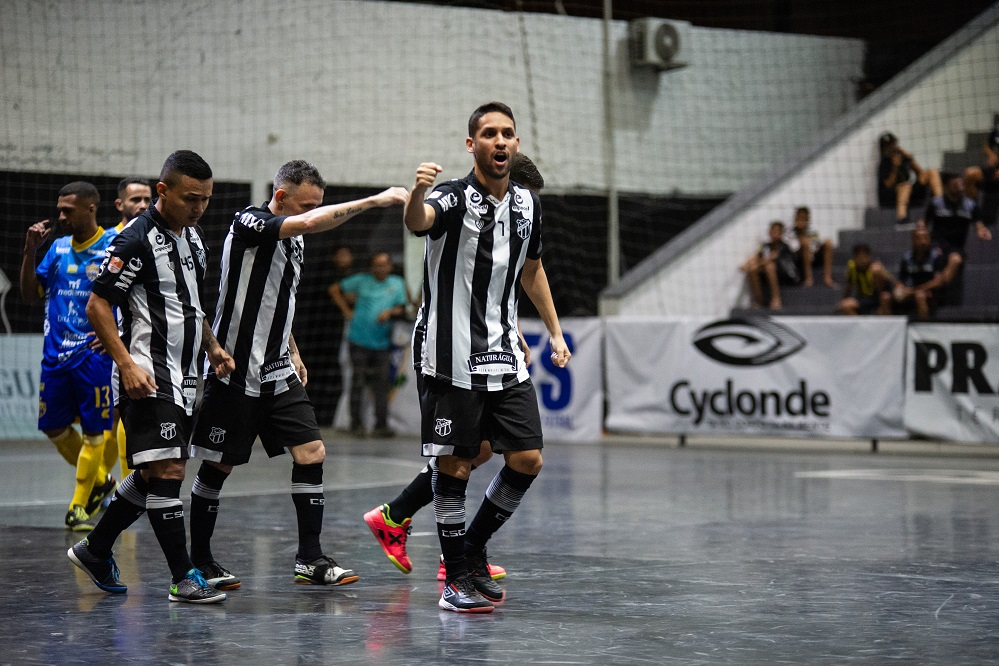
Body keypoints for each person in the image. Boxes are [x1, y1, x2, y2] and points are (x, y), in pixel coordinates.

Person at [186, 160, 407, 590]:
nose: (312, 214)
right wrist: (376, 200)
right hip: (235, 370)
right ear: (281, 197)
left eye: (317, 205)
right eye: (306, 205)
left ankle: (310, 558)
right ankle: (200, 560)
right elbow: (306, 224)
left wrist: (293, 350)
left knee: (312, 452)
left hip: (278, 369)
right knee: (219, 465)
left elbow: (276, 300)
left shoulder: (296, 241)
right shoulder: (249, 222)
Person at [402, 102, 570, 613]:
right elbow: (419, 221)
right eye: (489, 133)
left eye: (507, 133)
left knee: (527, 458)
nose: (500, 141)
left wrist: (555, 332)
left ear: (516, 145)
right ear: (471, 144)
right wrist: (417, 192)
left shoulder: (528, 205)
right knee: (454, 464)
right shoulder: (451, 197)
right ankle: (455, 580)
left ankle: (472, 549)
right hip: (450, 354)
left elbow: (532, 270)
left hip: (504, 352)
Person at [362, 152, 544, 584]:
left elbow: (498, 286)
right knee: (460, 456)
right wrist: (418, 192)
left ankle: (399, 516)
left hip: (490, 344)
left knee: (484, 450)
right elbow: (423, 225)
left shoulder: (515, 218)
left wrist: (513, 328)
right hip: (444, 345)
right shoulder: (460, 203)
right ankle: (455, 559)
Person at [68, 150, 236, 604]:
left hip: (187, 375)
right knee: (169, 470)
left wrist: (213, 346)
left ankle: (94, 550)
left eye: (205, 199)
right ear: (162, 190)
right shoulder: (134, 239)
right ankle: (183, 577)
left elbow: (189, 305)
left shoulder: (194, 237)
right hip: (148, 373)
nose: (199, 207)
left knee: (150, 474)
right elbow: (97, 304)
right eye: (190, 198)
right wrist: (126, 364)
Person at [19, 182, 118, 530]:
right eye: (59, 209)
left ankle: (78, 507)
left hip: (93, 356)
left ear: (91, 209)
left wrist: (116, 335)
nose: (61, 216)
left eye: (68, 210)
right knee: (53, 426)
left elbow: (131, 295)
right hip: (55, 357)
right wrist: (30, 251)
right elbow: (29, 295)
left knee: (94, 432)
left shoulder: (111, 246)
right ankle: (102, 481)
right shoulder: (58, 248)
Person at [330, 252, 408, 437]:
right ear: (372, 267)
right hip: (358, 339)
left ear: (390, 266)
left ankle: (381, 425)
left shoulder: (397, 283)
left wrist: (390, 312)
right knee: (357, 381)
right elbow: (334, 289)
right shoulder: (361, 280)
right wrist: (346, 310)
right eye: (377, 265)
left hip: (382, 342)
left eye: (384, 264)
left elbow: (402, 307)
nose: (380, 268)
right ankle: (355, 424)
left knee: (382, 384)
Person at [110, 177, 154, 479]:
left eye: (147, 200)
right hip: (117, 342)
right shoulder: (113, 240)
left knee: (128, 413)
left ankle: (125, 486)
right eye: (136, 199)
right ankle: (113, 485)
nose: (142, 205)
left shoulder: (155, 237)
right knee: (114, 415)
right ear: (120, 204)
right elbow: (96, 296)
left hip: (146, 342)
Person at [297, 245, 354, 427]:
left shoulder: (354, 275)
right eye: (340, 254)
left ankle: (331, 418)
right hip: (322, 336)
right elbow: (335, 292)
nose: (344, 258)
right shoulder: (326, 275)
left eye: (347, 254)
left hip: (345, 336)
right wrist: (346, 308)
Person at [919, 173, 992, 289]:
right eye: (955, 184)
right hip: (936, 244)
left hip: (956, 247)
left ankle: (931, 288)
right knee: (933, 256)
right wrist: (922, 232)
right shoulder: (936, 203)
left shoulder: (971, 205)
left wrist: (982, 231)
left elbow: (979, 225)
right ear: (946, 187)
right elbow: (924, 223)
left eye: (961, 183)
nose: (959, 186)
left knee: (956, 260)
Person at [877, 132, 943, 222]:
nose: (892, 147)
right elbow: (888, 185)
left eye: (893, 144)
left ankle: (941, 204)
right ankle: (902, 217)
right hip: (892, 198)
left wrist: (909, 158)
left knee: (932, 171)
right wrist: (895, 167)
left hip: (910, 194)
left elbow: (920, 172)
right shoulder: (884, 163)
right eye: (889, 146)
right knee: (905, 186)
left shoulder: (901, 157)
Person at [741, 220, 799, 310]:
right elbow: (757, 256)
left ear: (781, 234)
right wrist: (748, 264)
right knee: (752, 269)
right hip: (770, 274)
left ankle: (776, 299)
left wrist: (757, 264)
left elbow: (770, 259)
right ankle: (758, 300)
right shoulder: (766, 246)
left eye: (777, 231)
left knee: (769, 266)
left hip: (786, 274)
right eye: (772, 231)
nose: (774, 234)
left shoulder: (783, 246)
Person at [892, 228, 947, 320]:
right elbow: (901, 280)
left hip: (932, 293)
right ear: (913, 241)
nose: (923, 242)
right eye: (919, 238)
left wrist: (912, 291)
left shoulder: (936, 257)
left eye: (925, 238)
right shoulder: (907, 258)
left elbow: (938, 282)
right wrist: (899, 289)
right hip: (913, 292)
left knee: (920, 295)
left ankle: (923, 326)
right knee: (887, 297)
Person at [836, 243, 892, 316]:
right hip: (862, 298)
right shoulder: (852, 268)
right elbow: (849, 287)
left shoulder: (876, 268)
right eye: (859, 257)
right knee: (846, 305)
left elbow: (890, 284)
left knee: (885, 297)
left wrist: (883, 273)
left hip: (877, 298)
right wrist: (844, 300)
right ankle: (858, 323)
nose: (862, 260)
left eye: (864, 257)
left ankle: (885, 320)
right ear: (855, 258)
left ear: (869, 257)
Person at [787, 206, 835, 288]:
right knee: (805, 243)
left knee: (828, 243)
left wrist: (811, 249)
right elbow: (792, 248)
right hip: (797, 259)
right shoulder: (789, 232)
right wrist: (801, 238)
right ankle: (808, 279)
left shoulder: (812, 232)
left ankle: (827, 278)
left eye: (804, 218)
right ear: (796, 218)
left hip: (811, 256)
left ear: (808, 219)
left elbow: (817, 244)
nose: (802, 220)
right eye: (800, 218)